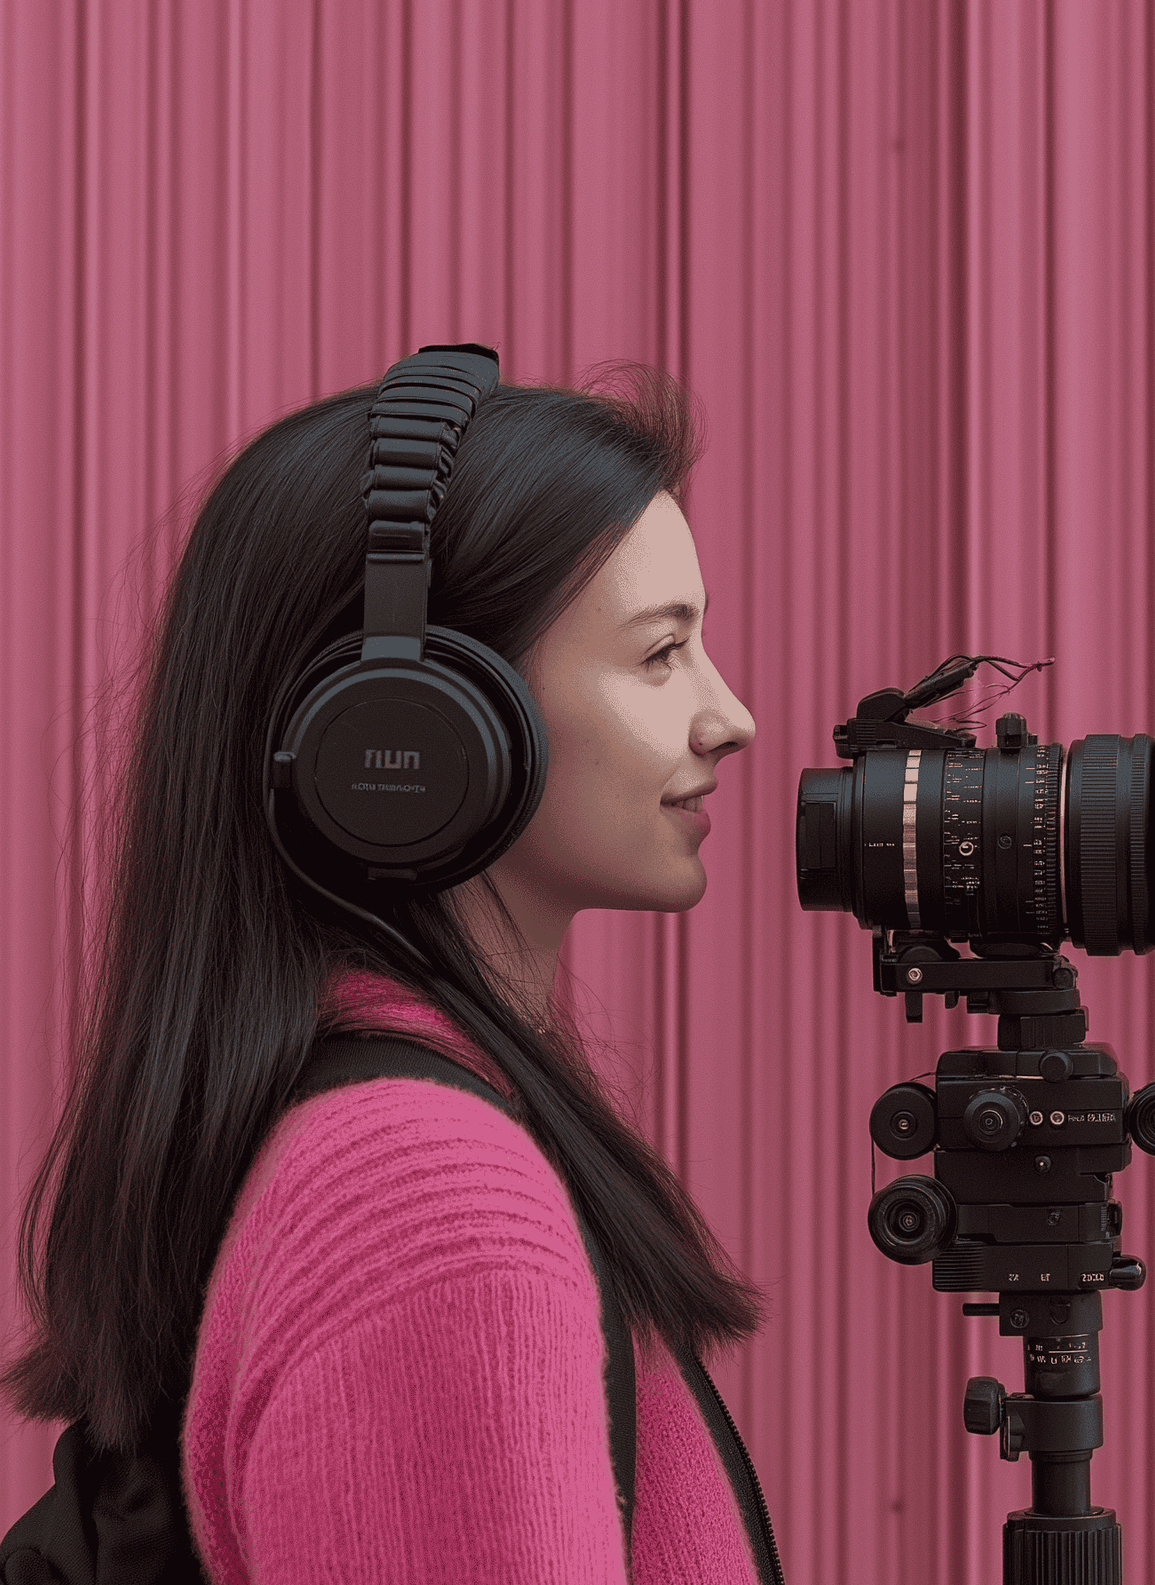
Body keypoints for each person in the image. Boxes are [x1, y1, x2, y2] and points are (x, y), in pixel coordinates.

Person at [0, 359, 775, 1583]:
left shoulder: (374, 1133)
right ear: (412, 727)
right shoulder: (430, 1195)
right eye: (658, 654)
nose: (728, 715)